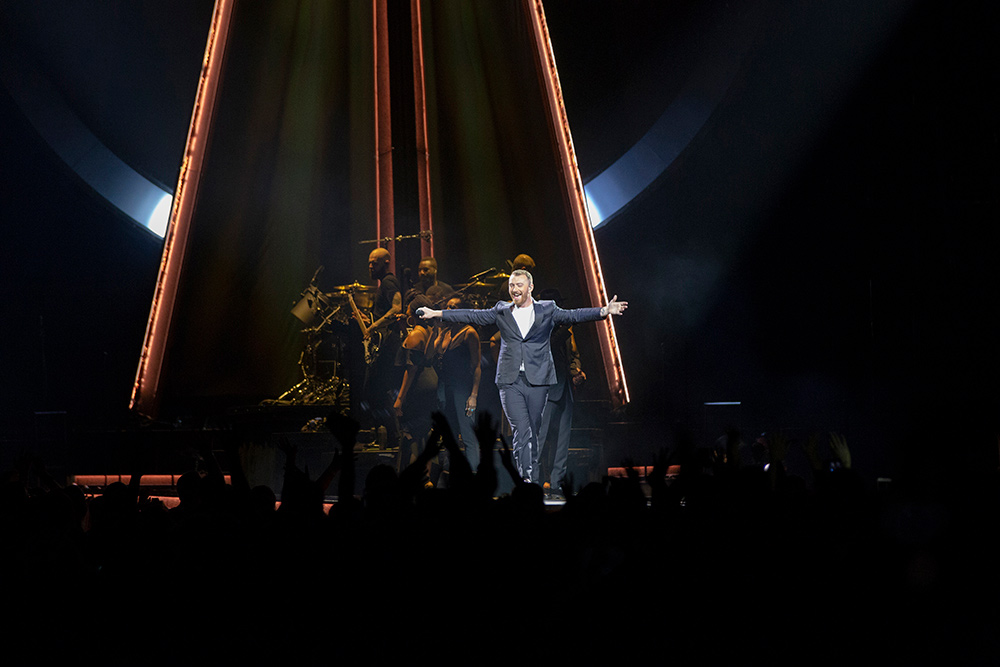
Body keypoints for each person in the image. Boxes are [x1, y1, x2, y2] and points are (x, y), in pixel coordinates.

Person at [417, 269, 627, 483]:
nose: (515, 289)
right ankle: (527, 480)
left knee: (533, 434)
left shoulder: (547, 309)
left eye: (519, 285)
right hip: (511, 382)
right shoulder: (502, 310)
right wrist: (437, 314)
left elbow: (573, 315)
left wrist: (604, 311)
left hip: (538, 381)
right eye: (512, 285)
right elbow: (472, 314)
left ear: (530, 288)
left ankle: (531, 478)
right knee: (522, 430)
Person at [535, 288, 585, 498]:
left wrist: (577, 371)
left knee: (563, 438)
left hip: (565, 386)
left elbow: (572, 353)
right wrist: (563, 329)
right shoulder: (538, 324)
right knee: (540, 436)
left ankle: (557, 481)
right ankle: (531, 480)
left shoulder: (566, 328)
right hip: (546, 389)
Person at [432, 296, 483, 470]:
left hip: (463, 388)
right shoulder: (446, 332)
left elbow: (477, 366)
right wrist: (439, 330)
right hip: (446, 389)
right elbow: (435, 352)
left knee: (468, 435)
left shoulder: (469, 333)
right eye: (447, 307)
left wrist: (473, 395)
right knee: (450, 436)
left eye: (453, 307)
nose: (449, 310)